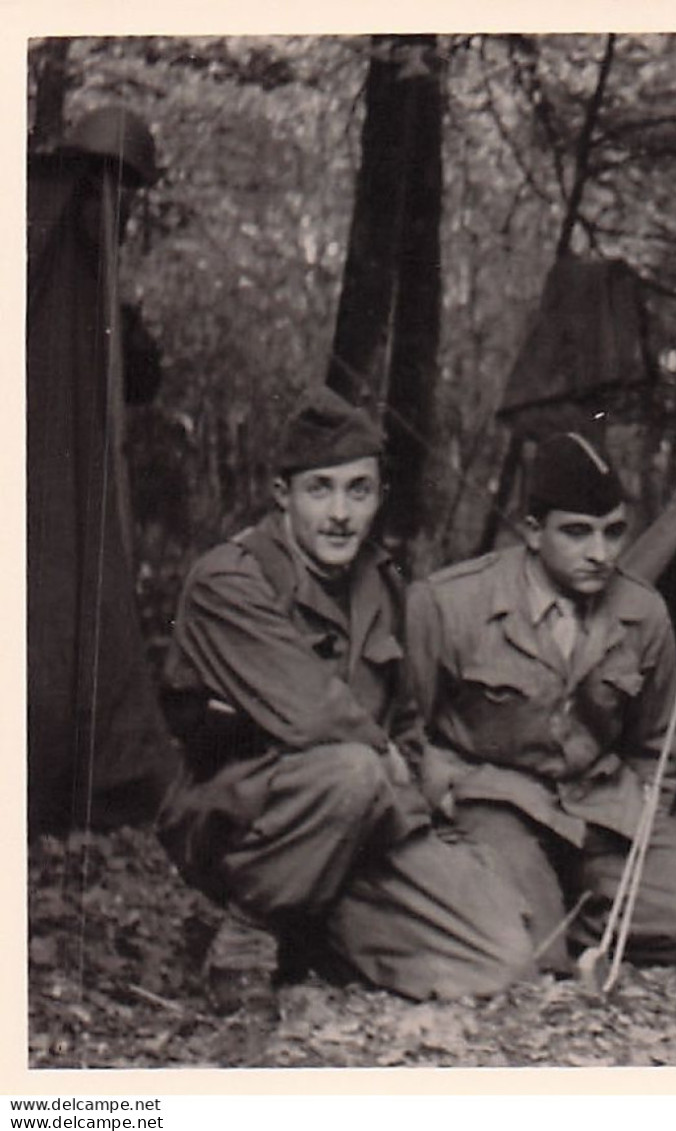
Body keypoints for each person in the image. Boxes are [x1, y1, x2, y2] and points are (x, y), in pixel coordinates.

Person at [157, 387, 535, 1014]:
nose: (340, 514)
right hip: (240, 816)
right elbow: (313, 716)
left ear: (377, 497)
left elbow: (406, 725)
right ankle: (246, 940)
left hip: (361, 815)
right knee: (352, 769)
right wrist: (385, 764)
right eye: (320, 489)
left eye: (358, 491)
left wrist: (411, 800)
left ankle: (313, 929)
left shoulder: (381, 586)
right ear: (282, 496)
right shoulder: (228, 580)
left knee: (501, 954)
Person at [405, 432, 676, 974]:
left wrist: (642, 816)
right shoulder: (448, 604)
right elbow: (404, 729)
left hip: (599, 805)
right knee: (528, 952)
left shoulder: (643, 615)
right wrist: (444, 797)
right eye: (577, 533)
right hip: (494, 802)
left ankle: (561, 913)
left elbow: (658, 743)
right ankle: (541, 917)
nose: (600, 554)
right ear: (532, 532)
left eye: (613, 532)